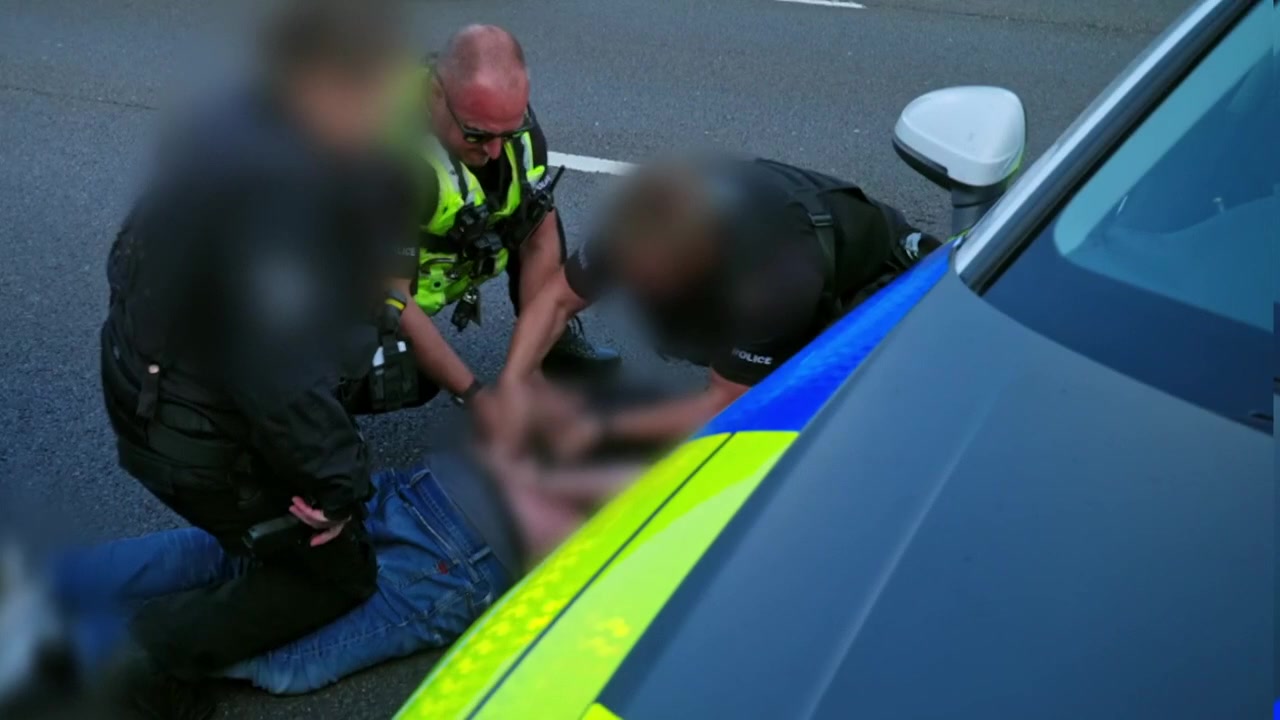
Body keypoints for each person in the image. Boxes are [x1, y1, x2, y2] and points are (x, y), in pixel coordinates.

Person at [96, 0, 411, 714]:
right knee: (335, 571)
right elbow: (279, 379)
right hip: (189, 431)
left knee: (255, 532)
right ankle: (152, 657)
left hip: (144, 379)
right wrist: (339, 490)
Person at [49, 404, 641, 699]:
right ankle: (92, 659)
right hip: (466, 558)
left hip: (429, 486)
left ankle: (57, 581)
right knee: (295, 659)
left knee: (228, 552)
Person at [494, 154, 943, 457]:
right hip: (758, 264)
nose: (638, 293)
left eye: (654, 281)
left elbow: (723, 403)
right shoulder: (640, 226)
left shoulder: (771, 277)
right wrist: (516, 382)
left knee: (782, 426)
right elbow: (556, 299)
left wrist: (599, 426)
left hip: (884, 293)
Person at [379, 24, 619, 415]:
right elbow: (395, 297)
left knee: (535, 205)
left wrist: (528, 370)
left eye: (507, 133)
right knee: (403, 374)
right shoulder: (387, 158)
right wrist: (477, 397)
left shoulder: (506, 123)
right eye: (477, 135)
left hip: (435, 247)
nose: (494, 150)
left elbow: (539, 236)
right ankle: (311, 413)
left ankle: (547, 344)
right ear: (436, 94)